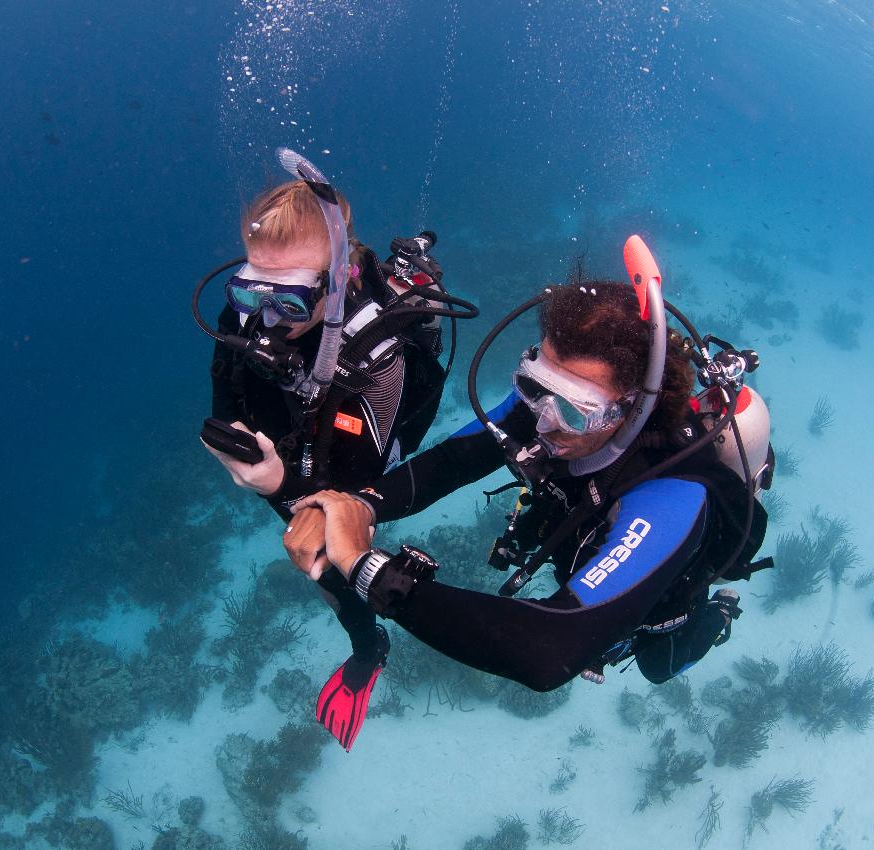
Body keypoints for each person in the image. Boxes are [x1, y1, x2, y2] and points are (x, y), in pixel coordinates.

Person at [277, 235, 774, 698]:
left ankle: (720, 613)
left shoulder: (675, 493)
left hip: (661, 603)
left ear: (632, 409)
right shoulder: (537, 414)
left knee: (658, 666)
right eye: (534, 386)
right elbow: (451, 462)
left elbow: (545, 651)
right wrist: (358, 506)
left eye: (574, 410)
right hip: (580, 541)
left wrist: (369, 570)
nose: (542, 422)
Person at [192, 149, 475, 749]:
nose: (265, 319)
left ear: (340, 279)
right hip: (295, 443)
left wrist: (275, 484)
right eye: (250, 293)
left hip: (360, 454)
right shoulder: (244, 315)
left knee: (326, 566)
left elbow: (347, 498)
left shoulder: (381, 358)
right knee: (305, 540)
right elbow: (227, 394)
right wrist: (239, 440)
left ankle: (368, 649)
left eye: (289, 302)